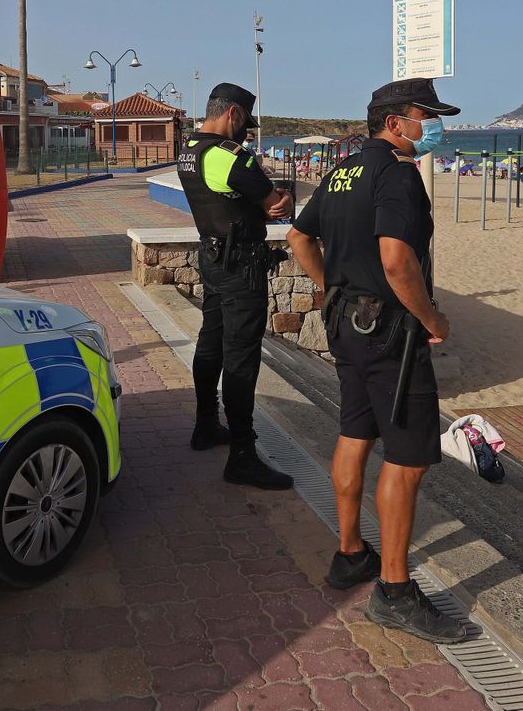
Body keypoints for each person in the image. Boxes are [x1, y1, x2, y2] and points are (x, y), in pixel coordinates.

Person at [286, 76, 467, 644]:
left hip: (345, 326)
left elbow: (298, 238)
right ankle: (393, 590)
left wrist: (330, 290)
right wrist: (432, 319)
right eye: (426, 115)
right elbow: (395, 260)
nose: (432, 126)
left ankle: (350, 553)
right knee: (408, 458)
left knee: (356, 430)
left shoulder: (341, 170)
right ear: (395, 122)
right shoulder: (396, 174)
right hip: (392, 334)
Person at [179, 82, 294, 490]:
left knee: (210, 343)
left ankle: (206, 423)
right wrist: (279, 201)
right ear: (234, 115)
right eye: (246, 126)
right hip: (241, 265)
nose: (247, 135)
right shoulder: (230, 157)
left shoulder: (189, 151)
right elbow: (275, 203)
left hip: (211, 259)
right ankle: (243, 454)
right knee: (241, 357)